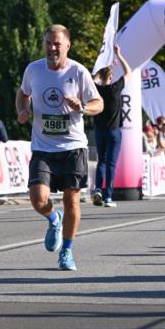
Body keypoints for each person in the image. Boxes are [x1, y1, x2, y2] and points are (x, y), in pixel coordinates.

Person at [16, 24, 103, 270]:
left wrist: (83, 107)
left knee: (71, 201)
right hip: (43, 147)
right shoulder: (33, 70)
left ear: (67, 46)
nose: (52, 48)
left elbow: (99, 103)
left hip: (73, 147)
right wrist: (22, 110)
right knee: (37, 197)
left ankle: (66, 250)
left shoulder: (78, 72)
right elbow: (23, 94)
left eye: (57, 44)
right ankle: (53, 219)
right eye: (48, 43)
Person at [92, 43, 131, 208]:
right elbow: (128, 72)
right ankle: (108, 197)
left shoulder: (96, 90)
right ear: (111, 76)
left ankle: (98, 189)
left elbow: (91, 78)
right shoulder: (116, 88)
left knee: (101, 161)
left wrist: (101, 63)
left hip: (99, 131)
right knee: (111, 164)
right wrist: (118, 54)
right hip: (114, 132)